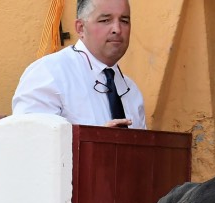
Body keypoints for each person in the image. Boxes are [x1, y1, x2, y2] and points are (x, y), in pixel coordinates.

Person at [12, 0, 146, 128]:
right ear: (80, 28)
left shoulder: (132, 91)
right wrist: (95, 140)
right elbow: (31, 141)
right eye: (105, 20)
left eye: (124, 21)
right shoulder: (49, 73)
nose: (117, 29)